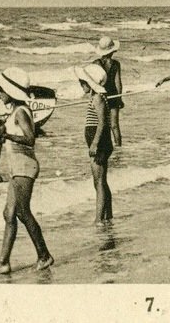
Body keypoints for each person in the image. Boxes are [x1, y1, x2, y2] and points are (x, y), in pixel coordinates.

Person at [0, 67, 53, 273]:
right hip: (18, 165)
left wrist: (7, 135)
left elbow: (30, 139)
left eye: (1, 90)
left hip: (24, 165)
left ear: (10, 92)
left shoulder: (20, 112)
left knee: (22, 212)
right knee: (9, 213)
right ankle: (2, 262)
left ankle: (44, 256)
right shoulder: (15, 111)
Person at [74, 63, 113, 225]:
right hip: (98, 141)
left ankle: (99, 218)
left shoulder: (97, 98)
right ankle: (107, 214)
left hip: (99, 142)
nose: (81, 85)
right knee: (100, 181)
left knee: (99, 182)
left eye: (83, 82)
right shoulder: (97, 97)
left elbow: (102, 123)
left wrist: (95, 143)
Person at [94, 36, 124, 147]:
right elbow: (118, 83)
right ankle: (118, 146)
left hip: (101, 95)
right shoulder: (116, 64)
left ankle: (102, 145)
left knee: (101, 123)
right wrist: (120, 98)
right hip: (113, 95)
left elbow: (94, 82)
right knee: (115, 125)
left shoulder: (96, 63)